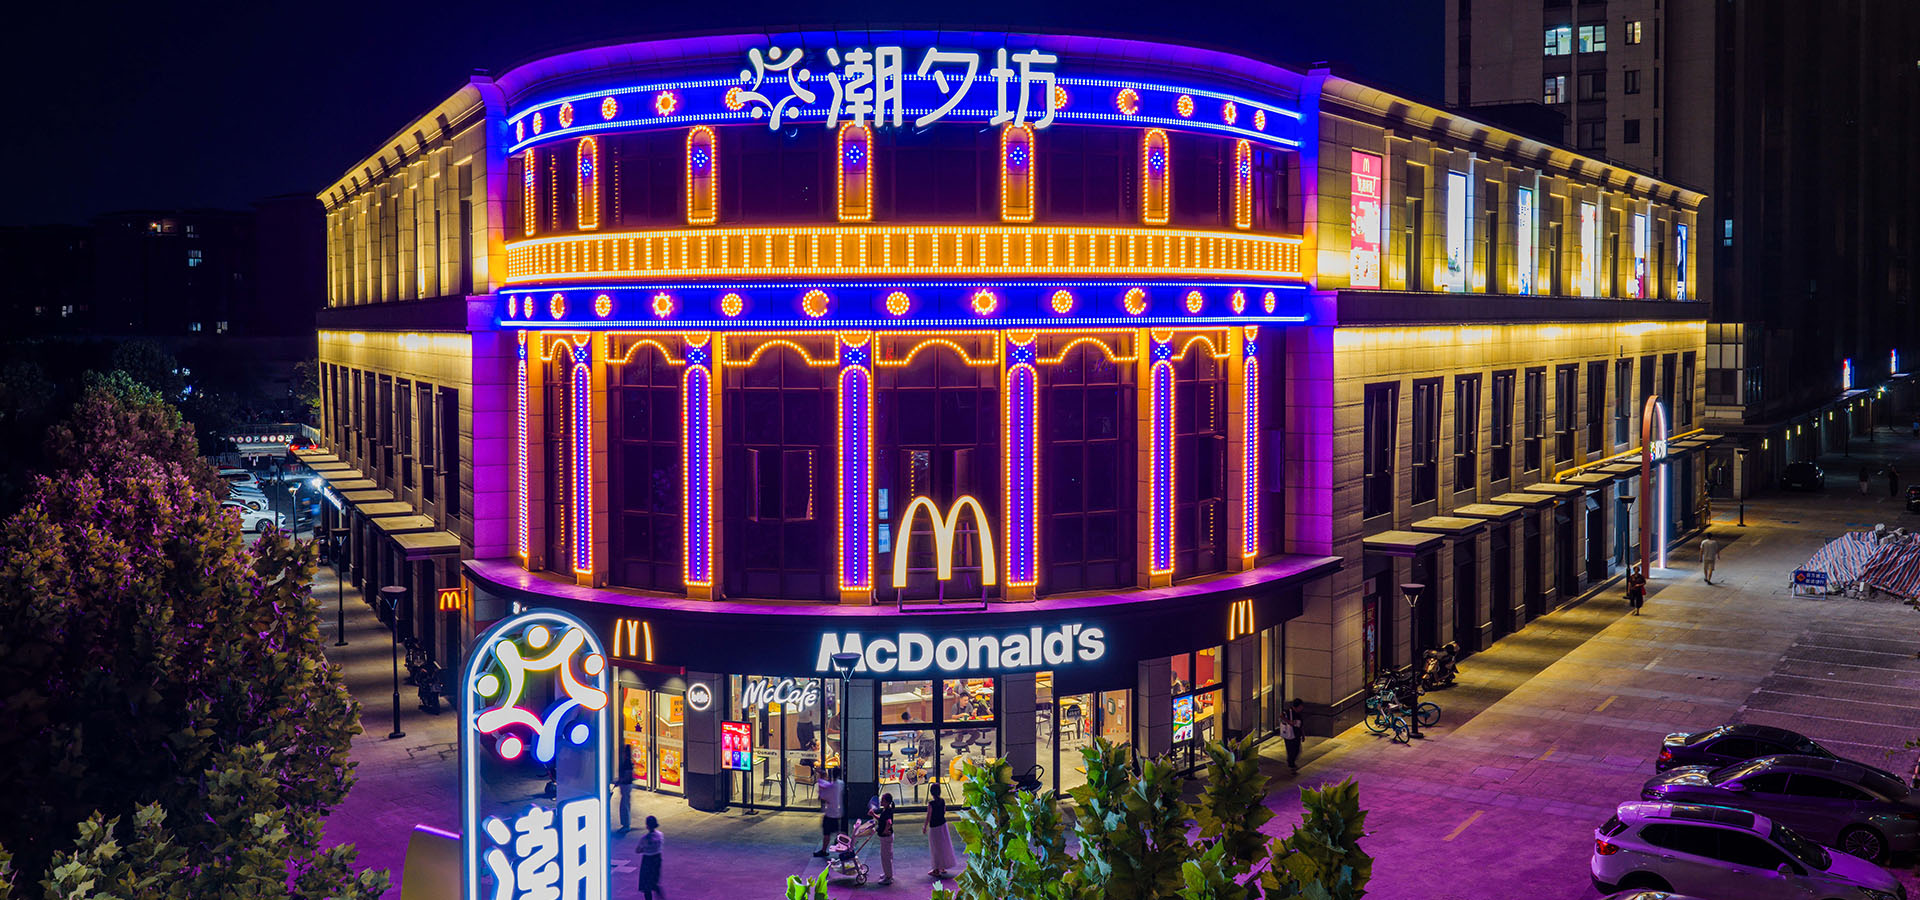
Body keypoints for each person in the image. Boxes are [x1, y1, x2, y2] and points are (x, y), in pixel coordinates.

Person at [925, 782, 957, 878]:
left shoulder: (931, 804)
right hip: (943, 826)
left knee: (935, 848)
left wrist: (925, 826)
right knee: (943, 846)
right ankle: (942, 867)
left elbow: (928, 816)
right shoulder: (942, 801)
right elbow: (943, 811)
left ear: (931, 793)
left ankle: (936, 869)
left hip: (934, 827)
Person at [814, 766, 843, 857]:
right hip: (838, 812)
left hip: (830, 813)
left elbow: (822, 796)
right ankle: (845, 847)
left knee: (827, 834)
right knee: (838, 831)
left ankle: (823, 851)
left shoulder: (831, 787)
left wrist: (820, 778)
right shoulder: (841, 784)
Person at [636, 815, 665, 900]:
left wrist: (644, 849)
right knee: (654, 882)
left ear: (647, 826)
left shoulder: (644, 838)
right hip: (657, 859)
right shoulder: (660, 835)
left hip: (647, 860)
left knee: (646, 885)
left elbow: (638, 850)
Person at [873, 792, 897, 885]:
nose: (881, 801)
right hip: (887, 837)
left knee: (886, 858)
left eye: (883, 800)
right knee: (887, 856)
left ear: (887, 802)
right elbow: (882, 820)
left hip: (886, 837)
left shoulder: (887, 811)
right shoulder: (886, 810)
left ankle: (888, 877)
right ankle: (887, 873)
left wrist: (885, 831)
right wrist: (873, 814)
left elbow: (889, 822)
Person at [1281, 698, 1306, 774]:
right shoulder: (1289, 712)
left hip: (1296, 734)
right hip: (1289, 734)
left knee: (1297, 749)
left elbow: (1301, 725)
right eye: (1301, 706)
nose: (1302, 708)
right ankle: (1291, 764)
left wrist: (1303, 735)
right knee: (1291, 750)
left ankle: (1291, 762)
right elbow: (1281, 716)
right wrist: (1289, 722)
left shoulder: (1299, 714)